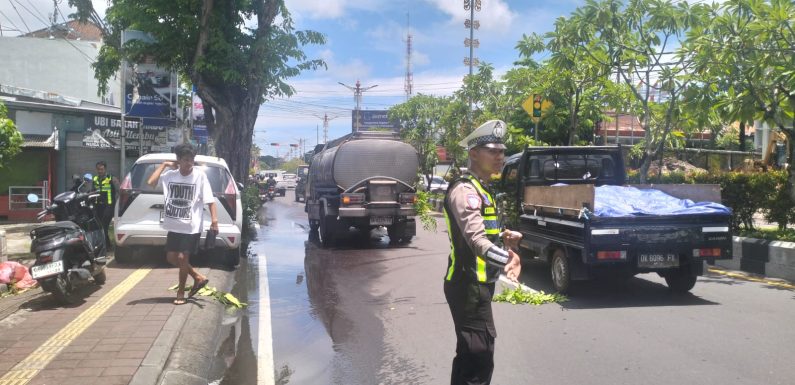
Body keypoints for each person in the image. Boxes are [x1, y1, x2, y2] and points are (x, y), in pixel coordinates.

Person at [442, 119, 523, 385]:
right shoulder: (465, 190)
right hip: (467, 285)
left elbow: (484, 233)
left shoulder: (483, 189)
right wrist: (509, 258)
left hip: (479, 285)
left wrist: (504, 236)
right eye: (493, 151)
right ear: (474, 153)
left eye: (502, 151)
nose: (501, 156)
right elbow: (477, 241)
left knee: (473, 354)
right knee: (478, 356)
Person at [147, 144, 217, 305]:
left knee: (182, 258)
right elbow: (151, 182)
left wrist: (214, 221)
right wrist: (164, 165)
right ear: (178, 160)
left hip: (191, 226)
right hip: (174, 224)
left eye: (192, 160)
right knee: (171, 258)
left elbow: (210, 201)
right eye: (185, 160)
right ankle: (198, 277)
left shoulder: (200, 177)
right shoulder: (170, 175)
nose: (189, 163)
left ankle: (181, 293)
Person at [92, 161, 119, 247]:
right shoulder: (95, 179)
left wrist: (118, 204)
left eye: (102, 169)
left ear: (105, 169)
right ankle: (107, 245)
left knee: (104, 225)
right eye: (98, 169)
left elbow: (119, 191)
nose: (100, 171)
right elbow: (92, 192)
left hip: (109, 206)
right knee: (99, 226)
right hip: (98, 206)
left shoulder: (112, 178)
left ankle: (104, 247)